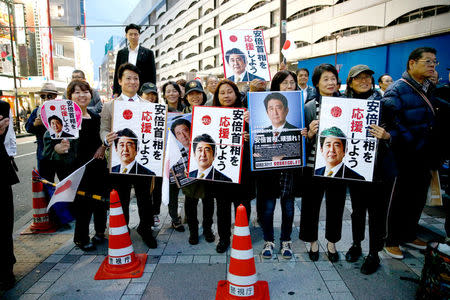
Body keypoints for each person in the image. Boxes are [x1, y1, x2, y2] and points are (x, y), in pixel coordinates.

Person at [383, 47, 448, 259]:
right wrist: (414, 144)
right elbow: (393, 123)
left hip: (425, 156)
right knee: (400, 199)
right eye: (428, 61)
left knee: (417, 199)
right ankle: (391, 240)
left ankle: (409, 234)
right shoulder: (397, 89)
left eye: (434, 62)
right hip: (405, 157)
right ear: (412, 63)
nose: (432, 65)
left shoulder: (427, 88)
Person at [341, 64, 396, 275]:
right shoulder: (344, 104)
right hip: (355, 167)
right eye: (358, 78)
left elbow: (398, 130)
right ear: (351, 82)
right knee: (357, 210)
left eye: (367, 78)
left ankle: (374, 253)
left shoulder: (385, 104)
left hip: (380, 169)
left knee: (377, 213)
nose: (364, 81)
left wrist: (387, 135)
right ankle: (356, 245)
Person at [100, 63, 157, 249]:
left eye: (136, 78)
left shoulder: (148, 106)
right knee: (121, 197)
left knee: (144, 198)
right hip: (118, 160)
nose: (133, 81)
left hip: (142, 160)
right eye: (128, 78)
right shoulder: (109, 106)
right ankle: (122, 230)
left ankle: (146, 229)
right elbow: (103, 129)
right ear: (119, 81)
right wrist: (105, 138)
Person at [48, 80, 108, 251]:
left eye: (85, 91)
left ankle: (100, 232)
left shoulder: (96, 116)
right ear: (70, 96)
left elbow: (104, 137)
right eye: (77, 92)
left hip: (98, 165)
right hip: (77, 168)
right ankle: (81, 238)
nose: (82, 95)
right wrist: (58, 148)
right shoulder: (64, 118)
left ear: (91, 94)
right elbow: (50, 143)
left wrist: (103, 147)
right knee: (83, 204)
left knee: (100, 201)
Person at [299, 63, 346, 263]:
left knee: (336, 205)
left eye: (333, 78)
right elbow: (303, 139)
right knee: (311, 206)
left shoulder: (346, 104)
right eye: (325, 79)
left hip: (338, 166)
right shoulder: (310, 106)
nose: (330, 82)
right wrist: (309, 133)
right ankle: (312, 242)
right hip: (313, 166)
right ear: (316, 83)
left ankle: (332, 242)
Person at [256, 70, 300, 260]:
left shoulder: (296, 125)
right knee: (267, 208)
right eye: (285, 83)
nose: (290, 86)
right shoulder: (260, 131)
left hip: (289, 173)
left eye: (292, 83)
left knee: (289, 208)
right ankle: (268, 240)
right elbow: (257, 153)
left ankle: (286, 240)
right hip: (268, 175)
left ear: (287, 110)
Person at [212, 79, 254, 253]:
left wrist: (249, 132)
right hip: (221, 168)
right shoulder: (211, 114)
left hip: (242, 168)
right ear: (217, 96)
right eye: (222, 92)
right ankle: (223, 238)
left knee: (242, 204)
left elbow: (261, 139)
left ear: (236, 94)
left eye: (230, 91)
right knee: (222, 206)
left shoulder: (247, 113)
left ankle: (241, 233)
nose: (226, 95)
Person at [180, 81, 215, 245]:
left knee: (208, 199)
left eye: (198, 93)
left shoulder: (212, 112)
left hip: (208, 163)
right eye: (191, 94)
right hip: (189, 164)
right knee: (190, 200)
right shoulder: (180, 116)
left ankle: (208, 229)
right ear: (186, 97)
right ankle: (193, 231)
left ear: (203, 94)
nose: (195, 97)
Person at [0, 100, 19, 290]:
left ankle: (6, 270)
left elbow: (8, 141)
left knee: (5, 224)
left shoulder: (3, 106)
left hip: (2, 172)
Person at [113, 24, 156, 97]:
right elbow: (117, 73)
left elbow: (152, 75)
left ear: (139, 35)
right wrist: (116, 92)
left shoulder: (148, 53)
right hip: (124, 91)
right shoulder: (121, 53)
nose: (133, 37)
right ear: (126, 35)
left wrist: (152, 91)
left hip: (143, 92)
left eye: (135, 34)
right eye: (130, 34)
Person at [25, 82, 58, 177]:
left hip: (61, 153)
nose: (46, 98)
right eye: (43, 96)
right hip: (43, 153)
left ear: (55, 96)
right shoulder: (37, 111)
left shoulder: (61, 109)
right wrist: (35, 124)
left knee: (65, 184)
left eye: (50, 95)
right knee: (46, 183)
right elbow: (28, 128)